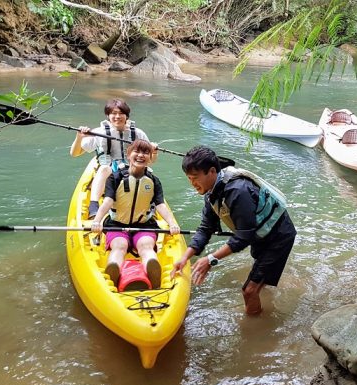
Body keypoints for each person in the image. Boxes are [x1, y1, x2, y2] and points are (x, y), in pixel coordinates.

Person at [170, 146, 296, 315]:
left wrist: (211, 259)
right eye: (189, 178)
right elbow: (206, 228)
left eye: (195, 178)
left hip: (278, 236)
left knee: (249, 291)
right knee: (259, 280)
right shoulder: (211, 193)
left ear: (212, 171)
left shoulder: (238, 191)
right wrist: (185, 257)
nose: (192, 183)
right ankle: (272, 290)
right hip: (261, 235)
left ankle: (255, 332)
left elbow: (243, 237)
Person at [90, 139, 180, 289]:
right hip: (117, 224)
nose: (140, 155)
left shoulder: (153, 181)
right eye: (136, 151)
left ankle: (153, 269)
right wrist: (97, 221)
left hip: (144, 225)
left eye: (145, 152)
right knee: (119, 246)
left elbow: (160, 205)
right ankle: (114, 271)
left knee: (146, 246)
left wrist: (172, 223)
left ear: (150, 158)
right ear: (128, 154)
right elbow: (107, 201)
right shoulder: (115, 177)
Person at [70, 98, 156, 219]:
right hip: (109, 171)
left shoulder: (138, 133)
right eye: (113, 113)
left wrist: (154, 149)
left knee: (147, 174)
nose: (117, 117)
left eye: (121, 113)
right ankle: (94, 206)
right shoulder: (99, 132)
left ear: (127, 116)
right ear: (108, 116)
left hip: (131, 169)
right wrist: (79, 137)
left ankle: (149, 205)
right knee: (104, 168)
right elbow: (75, 153)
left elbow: (150, 158)